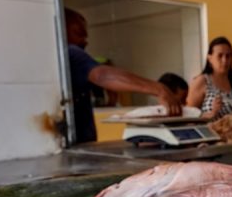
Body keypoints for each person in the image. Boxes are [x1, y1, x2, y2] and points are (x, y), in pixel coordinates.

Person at [64, 8, 182, 143]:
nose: (85, 41)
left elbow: (104, 82)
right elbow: (102, 76)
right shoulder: (70, 51)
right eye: (79, 34)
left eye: (85, 36)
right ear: (62, 29)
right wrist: (159, 89)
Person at [188, 37, 232, 120]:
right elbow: (189, 116)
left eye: (228, 56)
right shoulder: (201, 81)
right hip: (209, 131)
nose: (225, 60)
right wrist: (211, 114)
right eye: (220, 56)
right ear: (210, 58)